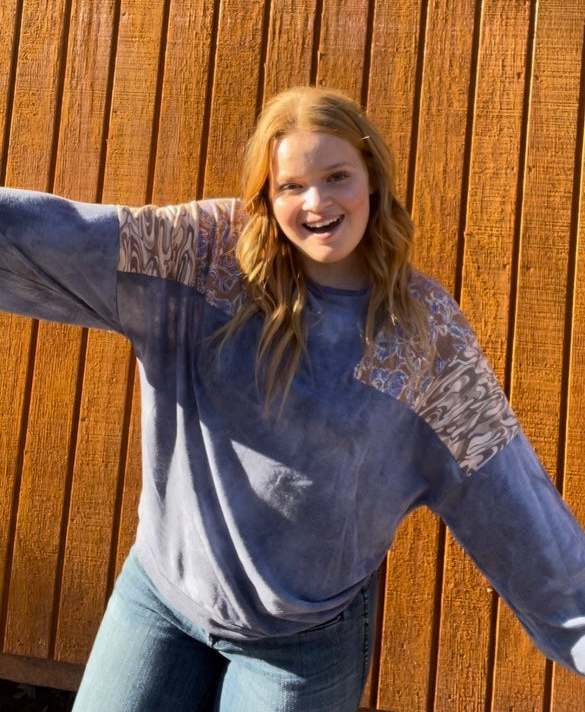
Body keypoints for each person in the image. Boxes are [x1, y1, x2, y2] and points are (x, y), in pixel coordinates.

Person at [0, 84, 584, 711]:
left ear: (372, 179)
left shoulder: (424, 339)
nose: (317, 202)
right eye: (291, 186)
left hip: (300, 643)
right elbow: (50, 235)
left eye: (336, 176)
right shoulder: (201, 259)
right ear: (266, 196)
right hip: (164, 596)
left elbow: (516, 505)